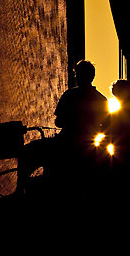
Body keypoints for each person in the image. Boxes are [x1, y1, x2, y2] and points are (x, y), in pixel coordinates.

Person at [16, 60, 108, 198]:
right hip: (87, 148)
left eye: (77, 74)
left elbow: (58, 122)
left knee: (26, 153)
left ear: (79, 75)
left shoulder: (70, 95)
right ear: (92, 77)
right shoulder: (102, 100)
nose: (76, 77)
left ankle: (20, 191)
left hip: (63, 144)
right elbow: (104, 127)